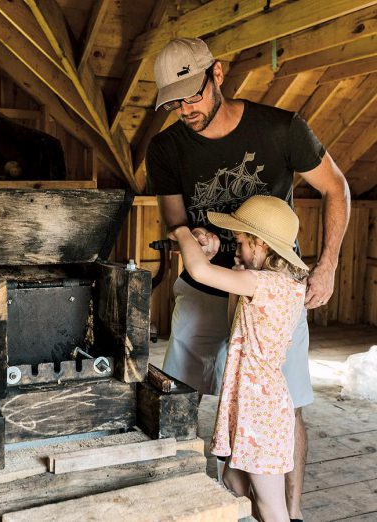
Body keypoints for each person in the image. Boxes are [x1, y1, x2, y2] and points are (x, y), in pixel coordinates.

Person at [146, 37, 350, 521]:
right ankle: (198, 506)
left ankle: (288, 514)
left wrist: (327, 265)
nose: (184, 109)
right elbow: (176, 221)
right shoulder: (165, 147)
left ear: (217, 74)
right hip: (205, 290)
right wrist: (200, 237)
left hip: (272, 292)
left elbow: (336, 187)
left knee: (288, 405)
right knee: (182, 399)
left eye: (191, 95)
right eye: (172, 102)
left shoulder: (281, 129)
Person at [171, 195, 308, 522]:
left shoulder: (261, 283)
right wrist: (237, 272)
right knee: (233, 479)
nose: (237, 247)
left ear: (261, 244)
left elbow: (198, 270)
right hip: (253, 402)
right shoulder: (282, 285)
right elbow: (236, 324)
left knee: (271, 505)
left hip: (260, 408)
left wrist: (182, 232)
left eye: (243, 242)